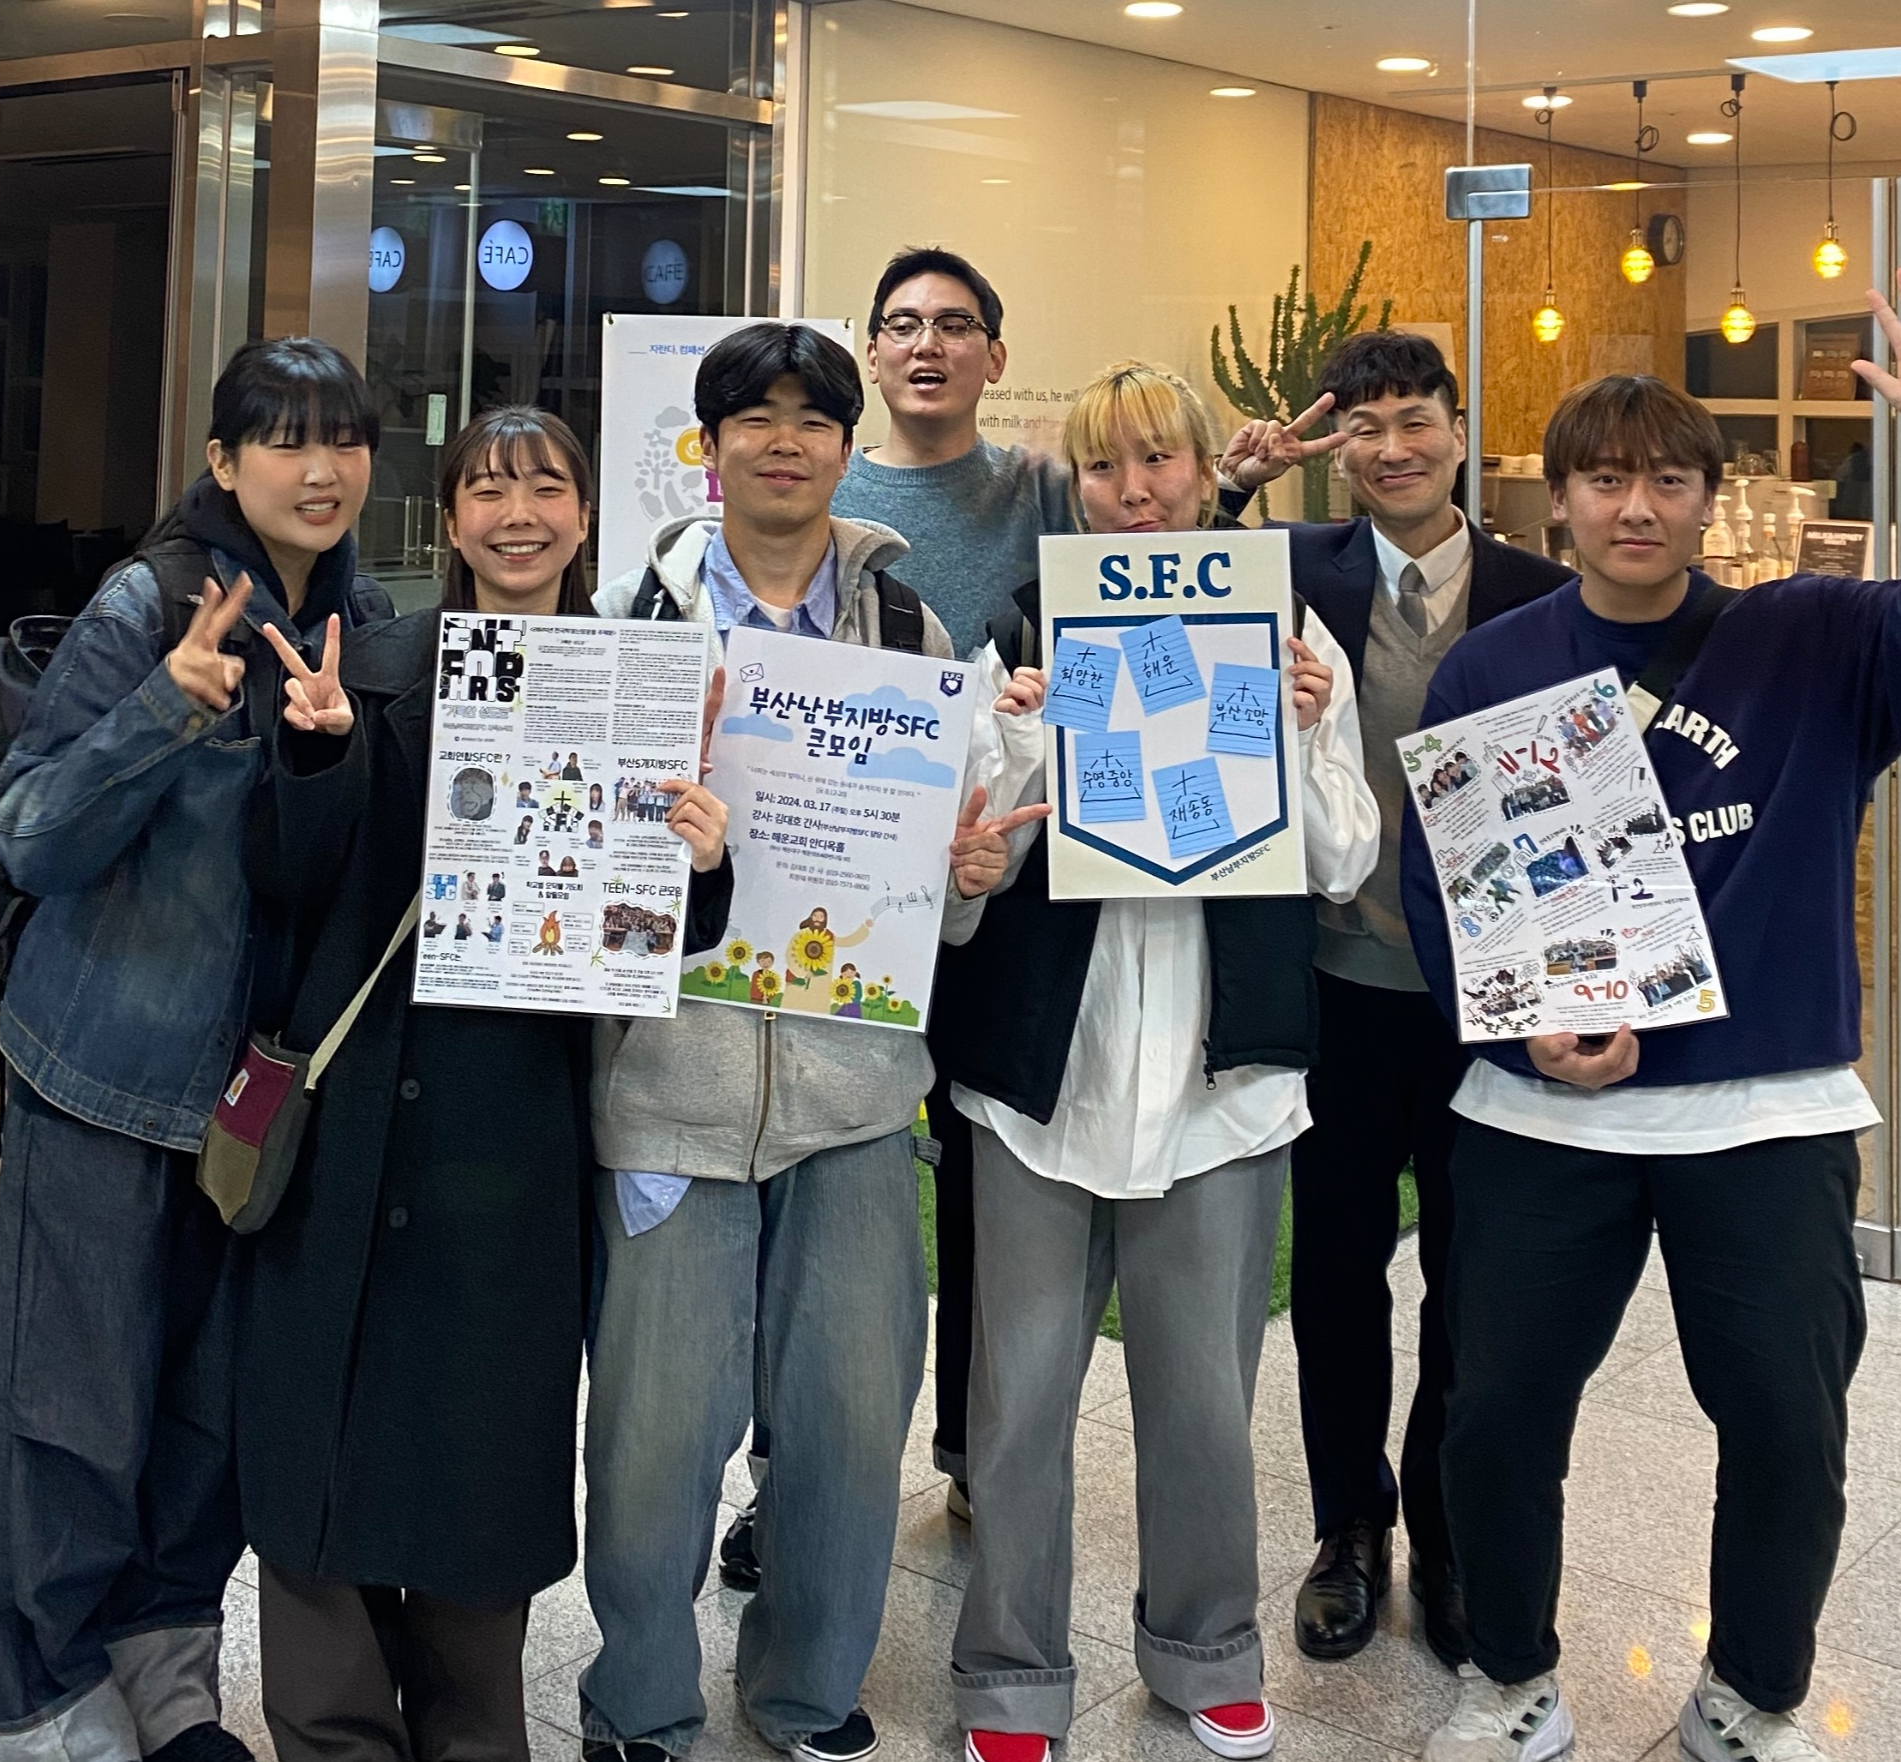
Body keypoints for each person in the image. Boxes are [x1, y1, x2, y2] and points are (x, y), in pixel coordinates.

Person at [1400, 273, 1901, 1762]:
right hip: (1543, 1115)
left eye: (1669, 481)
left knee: (1789, 1428)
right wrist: (1517, 1031)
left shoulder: (1815, 640)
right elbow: (1447, 879)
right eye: (1605, 480)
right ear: (1561, 499)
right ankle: (1509, 1676)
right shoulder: (1494, 665)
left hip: (1764, 1110)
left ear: (1707, 498)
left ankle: (1749, 1694)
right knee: (1496, 1415)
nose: (1638, 507)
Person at [235, 403, 733, 1760]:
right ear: (449, 519)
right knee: (324, 1457)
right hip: (349, 1126)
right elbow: (287, 878)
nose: (519, 514)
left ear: (585, 517)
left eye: (547, 488)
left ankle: (471, 1736)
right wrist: (319, 750)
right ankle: (333, 1734)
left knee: (476, 1468)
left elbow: (651, 943)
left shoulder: (635, 682)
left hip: (511, 1135)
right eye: (489, 489)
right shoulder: (372, 664)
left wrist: (698, 860)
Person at [579, 322, 1044, 1762]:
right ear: (709, 446)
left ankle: (802, 1688)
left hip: (855, 1096)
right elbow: (575, 875)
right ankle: (639, 1700)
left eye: (812, 419)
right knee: (657, 1434)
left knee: (847, 1419)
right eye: (754, 417)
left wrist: (971, 878)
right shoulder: (630, 625)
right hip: (671, 1089)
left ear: (846, 449)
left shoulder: (909, 639)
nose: (784, 441)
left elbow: (944, 902)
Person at [931, 361, 1382, 1762]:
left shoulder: (1285, 632)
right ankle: (1012, 1673)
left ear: (1203, 472)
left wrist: (1302, 729)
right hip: (1041, 1080)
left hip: (1217, 1081)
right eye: (1105, 467)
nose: (1135, 491)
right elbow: (967, 874)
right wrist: (1016, 748)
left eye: (1160, 462)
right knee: (1017, 1403)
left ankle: (1205, 1649)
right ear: (1076, 487)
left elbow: (1345, 858)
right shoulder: (1023, 631)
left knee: (1201, 1397)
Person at [826, 245, 1301, 1542]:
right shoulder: (834, 491)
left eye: (954, 324)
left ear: (995, 354)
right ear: (873, 349)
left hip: (1050, 925)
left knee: (1009, 1229)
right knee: (879, 1220)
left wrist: (1232, 501)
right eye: (902, 324)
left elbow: (1166, 551)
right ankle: (821, 1480)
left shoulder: (1040, 490)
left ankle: (982, 1465)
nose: (926, 344)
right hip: (874, 881)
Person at [0, 337, 391, 1762]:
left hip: (257, 1102)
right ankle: (37, 1699)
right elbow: (27, 834)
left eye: (344, 439)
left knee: (207, 1415)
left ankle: (165, 1678)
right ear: (222, 460)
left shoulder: (363, 616)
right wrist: (164, 709)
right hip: (105, 1073)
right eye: (285, 439)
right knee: (69, 1408)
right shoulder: (150, 603)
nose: (321, 469)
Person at [1242, 331, 1571, 1669]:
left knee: (1470, 1281)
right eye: (1363, 426)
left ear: (1457, 431)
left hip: (1484, 1004)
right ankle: (1348, 1530)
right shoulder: (1292, 572)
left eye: (1414, 420)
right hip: (1336, 986)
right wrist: (1235, 481)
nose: (1390, 448)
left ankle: (1443, 1530)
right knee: (1334, 1273)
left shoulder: (1542, 593)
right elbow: (1149, 590)